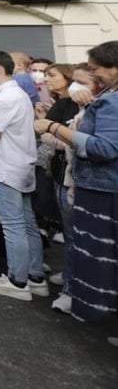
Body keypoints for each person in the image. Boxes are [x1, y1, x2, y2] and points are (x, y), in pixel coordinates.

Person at [37, 41, 118, 338]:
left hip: (103, 189)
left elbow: (104, 147)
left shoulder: (111, 102)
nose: (92, 77)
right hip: (99, 185)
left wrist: (52, 127)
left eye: (95, 70)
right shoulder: (107, 97)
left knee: (101, 254)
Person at [0, 51, 47, 301]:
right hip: (21, 165)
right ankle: (35, 277)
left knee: (12, 226)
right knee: (27, 224)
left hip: (4, 167)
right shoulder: (19, 95)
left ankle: (17, 281)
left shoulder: (3, 99)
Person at [35, 62, 82, 313]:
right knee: (70, 232)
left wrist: (57, 133)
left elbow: (84, 142)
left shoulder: (91, 105)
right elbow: (43, 133)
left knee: (77, 234)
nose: (46, 80)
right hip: (61, 172)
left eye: (51, 75)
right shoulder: (61, 104)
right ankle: (70, 277)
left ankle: (73, 290)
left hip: (76, 177)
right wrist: (61, 135)